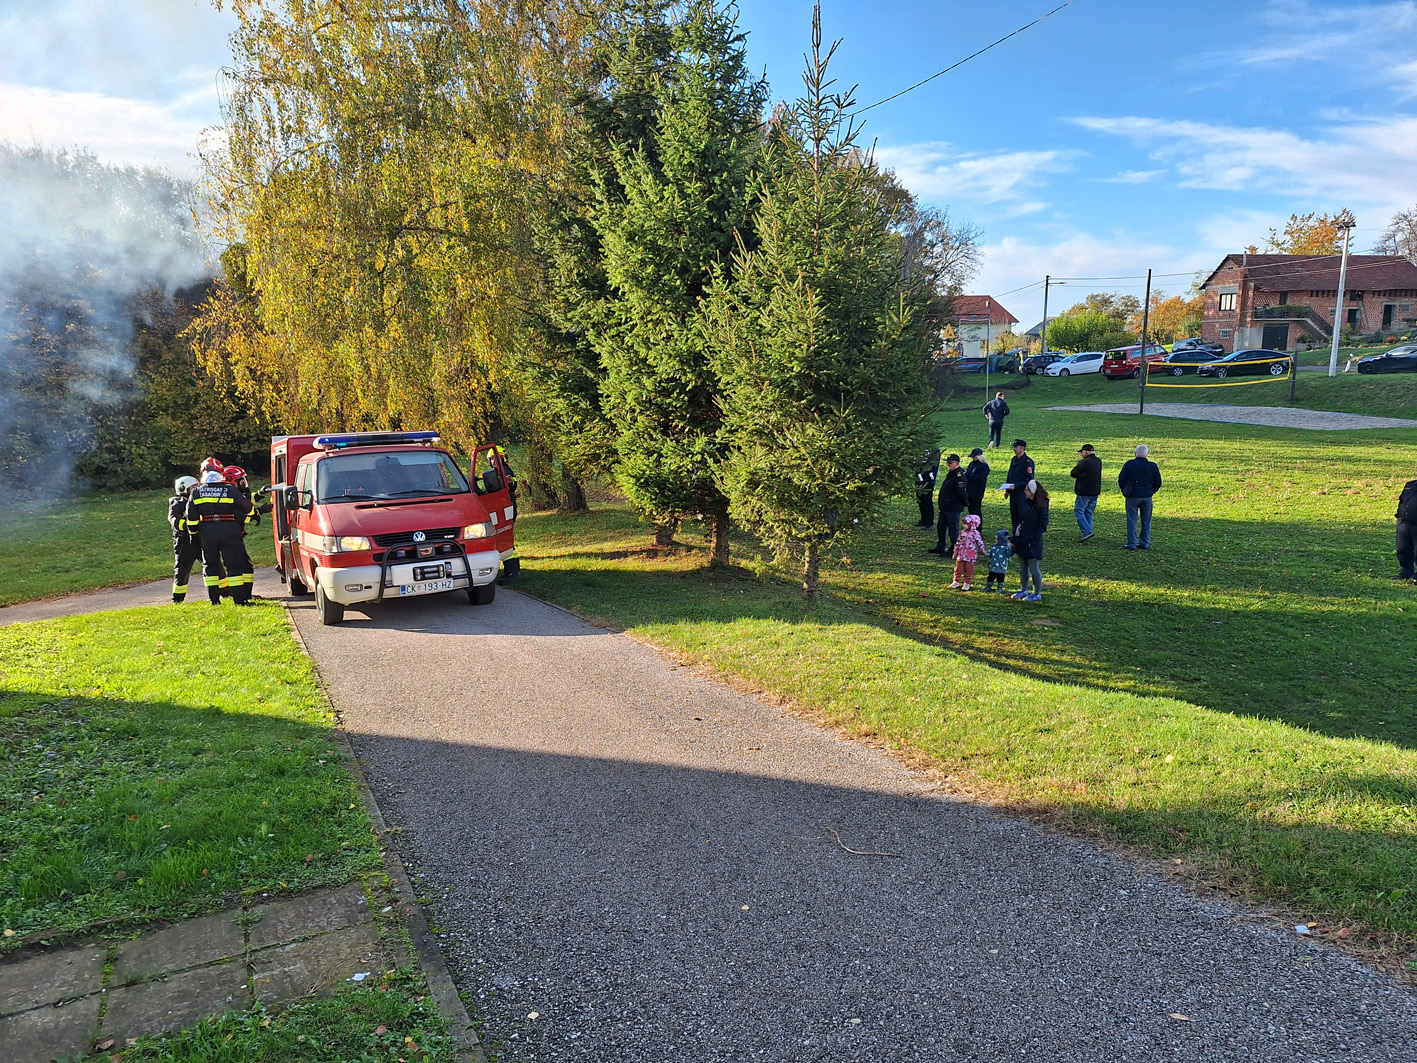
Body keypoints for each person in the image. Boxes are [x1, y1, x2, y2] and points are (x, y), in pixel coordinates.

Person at [186, 467, 253, 604]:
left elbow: (191, 517)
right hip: (229, 529)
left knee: (210, 564)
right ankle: (239, 600)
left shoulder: (197, 492)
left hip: (207, 532)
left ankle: (214, 600)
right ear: (221, 479)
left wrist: (193, 534)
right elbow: (248, 508)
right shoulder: (230, 489)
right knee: (233, 565)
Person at [1010, 480, 1049, 602]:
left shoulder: (1041, 507)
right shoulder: (1027, 504)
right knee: (1023, 567)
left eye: (1026, 490)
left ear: (1033, 492)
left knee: (1033, 567)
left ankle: (1036, 593)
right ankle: (1023, 589)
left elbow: (1042, 526)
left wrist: (1030, 538)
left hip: (1032, 542)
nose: (1024, 492)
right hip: (1022, 540)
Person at [1118, 444, 1162, 550]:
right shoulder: (1152, 466)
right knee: (1146, 520)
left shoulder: (1129, 464)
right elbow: (1158, 482)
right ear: (1147, 453)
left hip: (1132, 495)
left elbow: (1121, 479)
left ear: (1135, 453)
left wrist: (1125, 490)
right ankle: (1144, 542)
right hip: (1147, 495)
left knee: (1132, 520)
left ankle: (1132, 543)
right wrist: (1151, 491)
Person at [168, 475, 200, 603]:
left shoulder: (198, 501)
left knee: (213, 565)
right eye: (194, 487)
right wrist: (188, 525)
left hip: (199, 538)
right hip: (183, 542)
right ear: (184, 489)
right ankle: (177, 598)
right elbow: (174, 520)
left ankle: (225, 593)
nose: (197, 489)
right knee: (182, 570)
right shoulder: (177, 504)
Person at [928, 454, 968, 557]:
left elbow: (961, 492)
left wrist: (965, 503)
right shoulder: (952, 473)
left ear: (957, 464)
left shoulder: (958, 475)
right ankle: (940, 546)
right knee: (941, 527)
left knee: (952, 530)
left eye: (951, 463)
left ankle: (954, 550)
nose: (948, 465)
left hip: (953, 507)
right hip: (946, 506)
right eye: (947, 463)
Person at [1069, 443, 1103, 542]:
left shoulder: (1083, 462)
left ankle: (1087, 531)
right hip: (1095, 491)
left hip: (1083, 491)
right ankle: (1088, 530)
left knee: (1079, 511)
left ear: (1086, 452)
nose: (1081, 454)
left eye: (1082, 452)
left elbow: (1073, 473)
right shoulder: (1098, 461)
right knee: (1089, 512)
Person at [1002, 439, 1035, 533]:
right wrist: (1007, 489)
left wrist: (1017, 486)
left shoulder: (1028, 462)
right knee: (1014, 514)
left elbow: (1029, 479)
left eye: (1016, 447)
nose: (1014, 449)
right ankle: (1015, 534)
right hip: (1013, 492)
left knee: (1022, 514)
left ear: (1022, 448)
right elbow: (1011, 474)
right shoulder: (1014, 459)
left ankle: (1023, 533)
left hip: (1022, 492)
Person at [950, 514, 986, 591]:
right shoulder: (962, 532)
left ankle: (967, 583)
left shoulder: (976, 534)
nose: (963, 525)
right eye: (963, 523)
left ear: (972, 524)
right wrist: (955, 552)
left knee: (969, 569)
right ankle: (956, 581)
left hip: (970, 555)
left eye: (965, 524)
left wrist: (983, 551)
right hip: (961, 554)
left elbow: (980, 543)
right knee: (958, 568)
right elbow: (958, 542)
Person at [913, 446, 941, 528]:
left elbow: (932, 464)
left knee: (927, 500)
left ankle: (929, 522)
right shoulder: (919, 448)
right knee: (920, 499)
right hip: (919, 479)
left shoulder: (935, 450)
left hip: (929, 479)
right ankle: (923, 519)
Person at [1396, 475, 1417, 581]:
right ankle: (1406, 572)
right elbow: (1402, 500)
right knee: (1403, 549)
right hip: (1404, 522)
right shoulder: (1410, 485)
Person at [964, 447, 990, 520]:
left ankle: (978, 526)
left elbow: (980, 478)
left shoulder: (984, 466)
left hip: (977, 491)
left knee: (976, 509)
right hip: (969, 489)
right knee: (970, 508)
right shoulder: (972, 464)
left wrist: (968, 475)